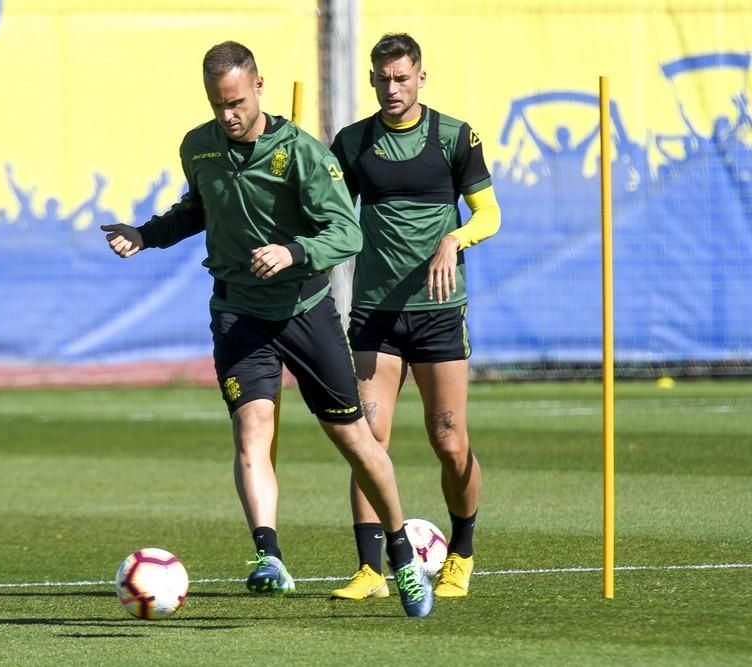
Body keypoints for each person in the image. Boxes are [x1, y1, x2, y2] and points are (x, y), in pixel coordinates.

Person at [101, 41, 433, 617]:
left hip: (305, 313)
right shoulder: (198, 147)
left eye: (234, 101)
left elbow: (345, 233)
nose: (226, 114)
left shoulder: (301, 153)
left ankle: (401, 551)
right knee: (252, 432)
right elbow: (195, 210)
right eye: (216, 104)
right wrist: (145, 234)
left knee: (354, 440)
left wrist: (293, 252)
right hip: (237, 313)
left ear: (258, 87)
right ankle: (269, 556)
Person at [328, 33, 501, 601]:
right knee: (366, 437)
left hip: (439, 316)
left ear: (421, 77)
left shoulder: (454, 136)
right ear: (373, 80)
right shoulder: (353, 143)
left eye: (402, 78)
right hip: (375, 314)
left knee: (448, 440)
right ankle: (370, 569)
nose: (392, 88)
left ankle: (463, 554)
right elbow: (329, 213)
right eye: (382, 79)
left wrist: (455, 239)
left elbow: (490, 213)